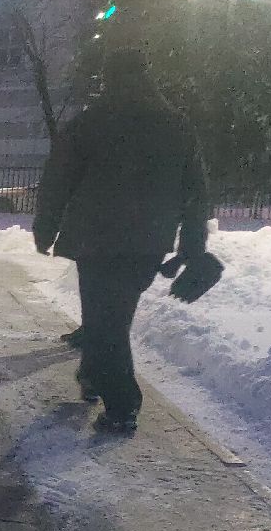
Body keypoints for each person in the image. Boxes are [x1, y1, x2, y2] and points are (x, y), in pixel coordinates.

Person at [33, 49, 210, 434]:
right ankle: (95, 373)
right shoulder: (177, 125)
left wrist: (44, 228)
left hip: (96, 238)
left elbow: (57, 180)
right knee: (113, 316)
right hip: (149, 241)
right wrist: (192, 247)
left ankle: (122, 404)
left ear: (109, 78)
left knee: (105, 319)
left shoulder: (90, 122)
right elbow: (196, 192)